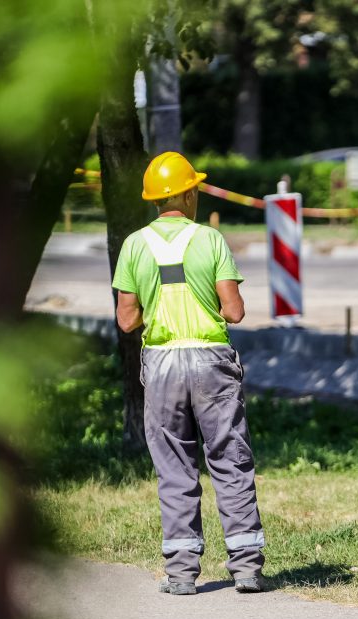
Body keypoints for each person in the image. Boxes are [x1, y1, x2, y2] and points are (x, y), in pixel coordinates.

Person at [112, 152, 266, 595]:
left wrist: (157, 302)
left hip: (161, 364)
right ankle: (247, 568)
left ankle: (181, 574)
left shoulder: (134, 245)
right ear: (187, 192)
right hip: (210, 362)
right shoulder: (210, 240)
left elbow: (126, 320)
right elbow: (234, 311)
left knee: (176, 467)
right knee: (229, 459)